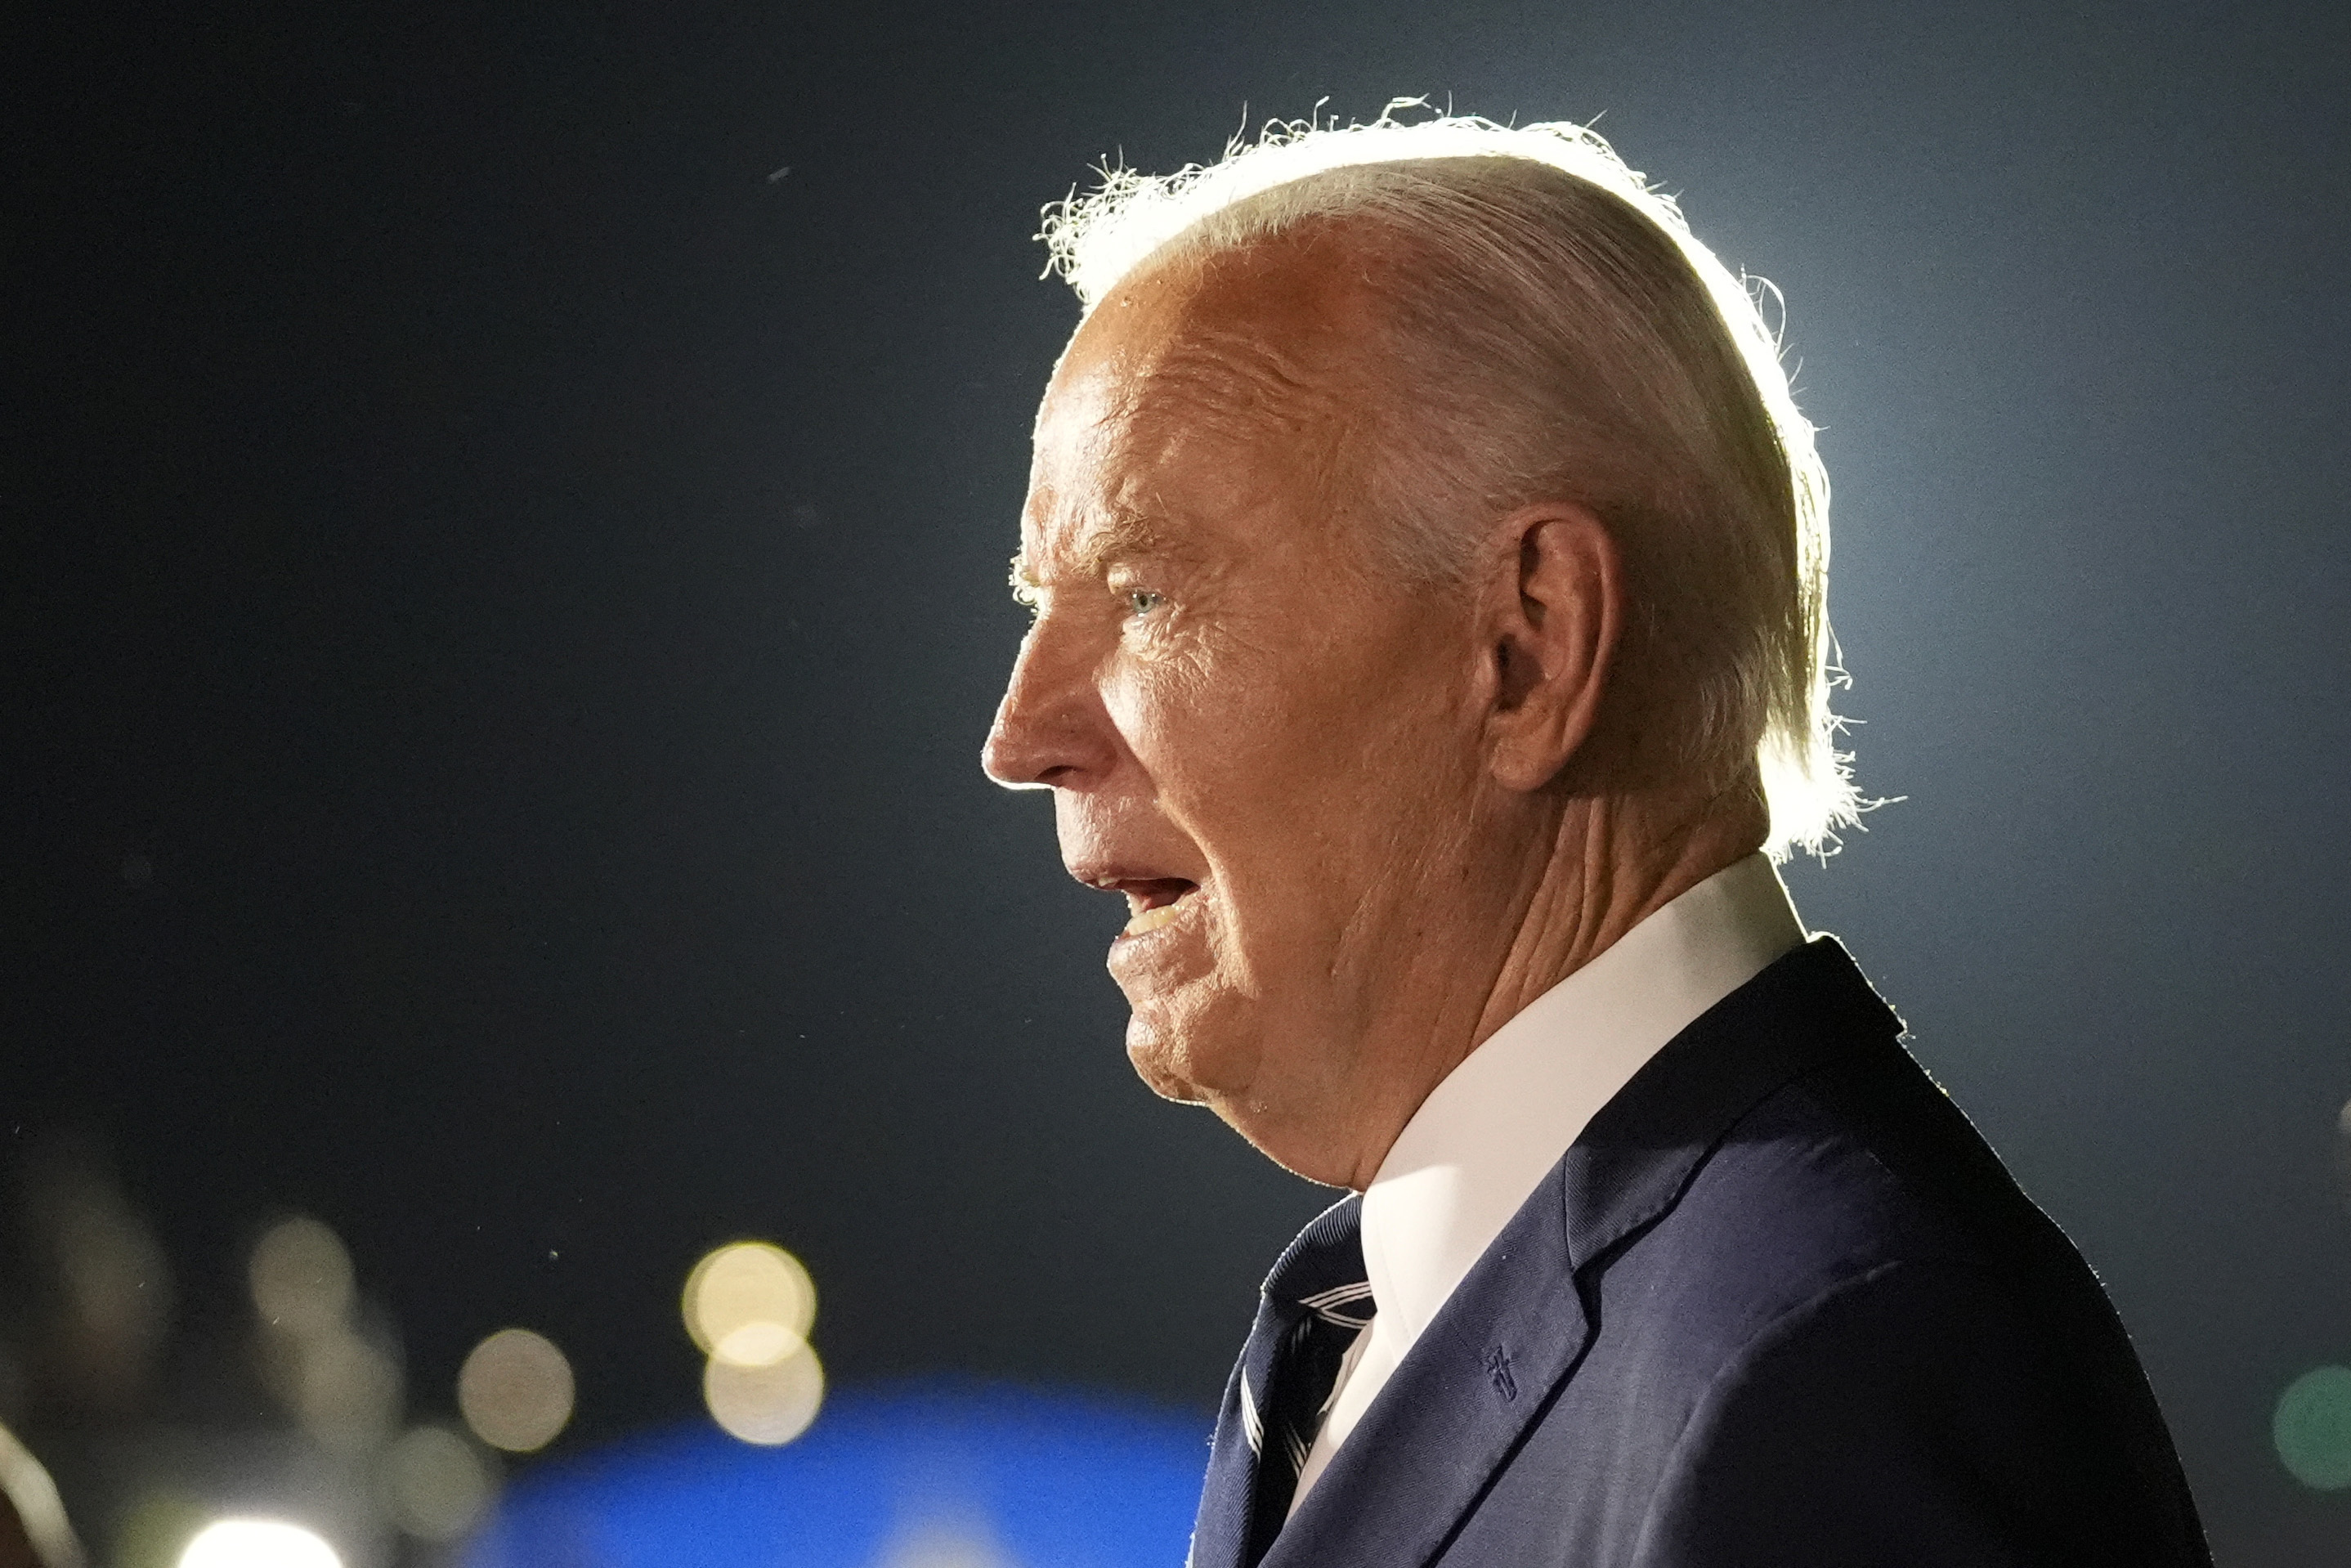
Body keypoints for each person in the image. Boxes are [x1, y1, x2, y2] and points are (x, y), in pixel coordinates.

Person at [980, 110, 2210, 1567]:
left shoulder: (1832, 1369)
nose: (1021, 735)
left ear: (1527, 643)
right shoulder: (1391, 1316)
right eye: (1033, 605)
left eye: (1141, 594)